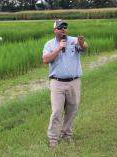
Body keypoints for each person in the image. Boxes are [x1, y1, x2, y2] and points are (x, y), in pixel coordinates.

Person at [42, 19, 88, 147]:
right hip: (57, 82)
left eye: (65, 27)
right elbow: (45, 60)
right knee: (57, 110)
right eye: (60, 27)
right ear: (55, 30)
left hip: (74, 82)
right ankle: (53, 139)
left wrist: (82, 43)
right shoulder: (49, 44)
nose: (63, 29)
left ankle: (67, 134)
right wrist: (58, 49)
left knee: (72, 109)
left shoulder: (74, 40)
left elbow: (84, 48)